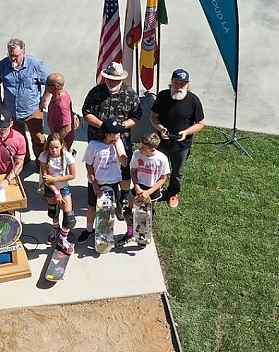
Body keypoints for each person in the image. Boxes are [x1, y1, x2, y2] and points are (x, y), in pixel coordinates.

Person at [82, 61, 142, 217]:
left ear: (121, 79)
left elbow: (136, 116)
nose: (112, 82)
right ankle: (95, 192)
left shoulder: (130, 95)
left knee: (123, 168)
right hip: (98, 139)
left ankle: (123, 197)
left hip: (122, 139)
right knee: (97, 166)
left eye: (115, 80)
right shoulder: (95, 93)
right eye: (109, 79)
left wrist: (121, 126)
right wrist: (103, 126)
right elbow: (86, 112)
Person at [149, 68, 205, 209]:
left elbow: (200, 123)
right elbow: (154, 117)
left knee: (177, 171)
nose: (179, 86)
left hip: (182, 144)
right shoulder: (163, 96)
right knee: (157, 167)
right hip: (161, 141)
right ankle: (155, 190)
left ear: (187, 84)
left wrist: (186, 132)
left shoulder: (193, 101)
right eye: (176, 82)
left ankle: (173, 193)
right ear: (171, 82)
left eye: (182, 83)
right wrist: (161, 128)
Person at [0, 38, 50, 163]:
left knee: (38, 139)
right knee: (18, 139)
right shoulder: (2, 65)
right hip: (11, 112)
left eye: (16, 56)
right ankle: (24, 160)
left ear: (23, 53)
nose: (13, 59)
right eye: (10, 55)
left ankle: (41, 162)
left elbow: (50, 82)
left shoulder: (35, 65)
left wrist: (45, 99)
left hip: (33, 110)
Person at [78, 117, 129, 244]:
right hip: (96, 182)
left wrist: (117, 145)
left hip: (112, 182)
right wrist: (94, 184)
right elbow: (88, 165)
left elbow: (124, 163)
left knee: (109, 208)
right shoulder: (94, 145)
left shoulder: (119, 143)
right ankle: (89, 230)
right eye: (116, 132)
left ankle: (106, 230)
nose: (119, 134)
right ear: (107, 134)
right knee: (92, 207)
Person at [38, 133, 76, 254]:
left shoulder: (67, 156)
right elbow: (45, 178)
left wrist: (54, 180)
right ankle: (56, 229)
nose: (54, 150)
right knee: (53, 212)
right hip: (51, 189)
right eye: (51, 148)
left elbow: (72, 175)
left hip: (64, 188)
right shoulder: (44, 156)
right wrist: (55, 191)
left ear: (62, 146)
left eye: (56, 147)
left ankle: (62, 239)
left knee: (69, 218)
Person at [128, 132, 170, 243]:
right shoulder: (137, 154)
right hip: (139, 186)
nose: (140, 149)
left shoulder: (162, 159)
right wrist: (136, 187)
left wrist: (149, 192)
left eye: (143, 148)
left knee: (148, 214)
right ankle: (129, 233)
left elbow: (163, 178)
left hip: (153, 188)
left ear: (152, 149)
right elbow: (133, 171)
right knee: (131, 211)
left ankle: (144, 234)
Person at [44, 72, 78, 151]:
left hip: (62, 142)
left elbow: (67, 128)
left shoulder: (61, 105)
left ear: (56, 87)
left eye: (47, 84)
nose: (45, 86)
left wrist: (55, 141)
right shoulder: (60, 94)